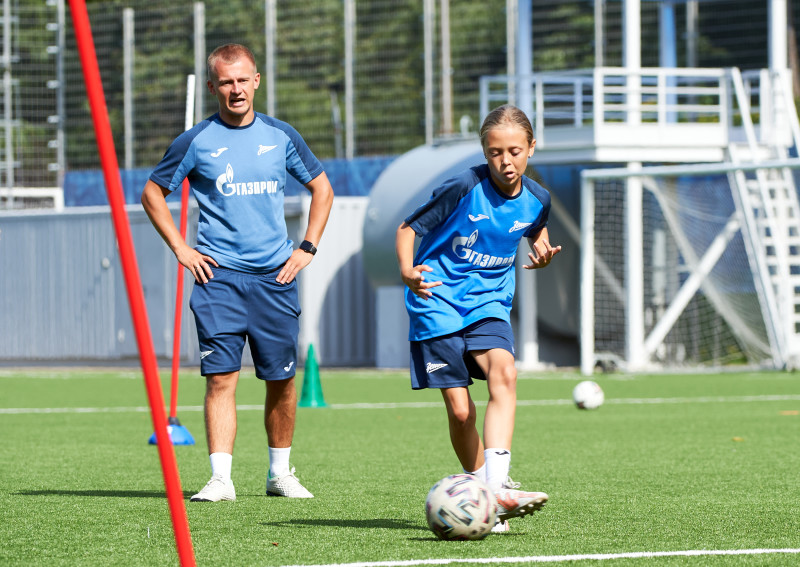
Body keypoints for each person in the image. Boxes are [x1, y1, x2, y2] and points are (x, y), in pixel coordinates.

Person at [141, 43, 333, 502]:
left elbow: (322, 189)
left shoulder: (281, 135)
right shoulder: (195, 140)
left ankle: (279, 475)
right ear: (213, 87)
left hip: (275, 278)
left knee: (282, 380)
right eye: (226, 82)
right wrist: (181, 248)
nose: (235, 89)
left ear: (257, 81)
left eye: (242, 80)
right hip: (218, 279)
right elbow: (152, 193)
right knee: (221, 378)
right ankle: (221, 480)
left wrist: (307, 247)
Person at [395, 104, 561, 532]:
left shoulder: (538, 198)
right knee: (461, 411)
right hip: (437, 301)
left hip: (488, 303)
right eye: (494, 153)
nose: (505, 162)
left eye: (514, 151)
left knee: (505, 373)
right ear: (484, 152)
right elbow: (407, 229)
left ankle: (496, 487)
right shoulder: (463, 187)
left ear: (531, 149)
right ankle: (484, 492)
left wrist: (541, 248)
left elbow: (533, 225)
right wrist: (408, 271)